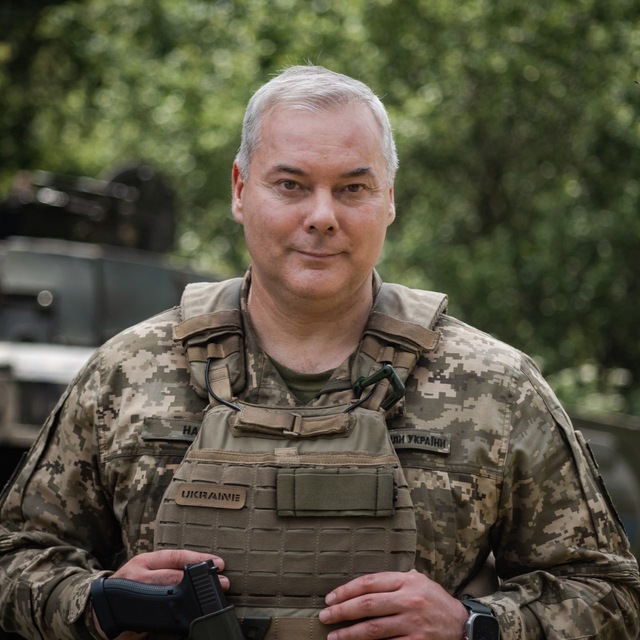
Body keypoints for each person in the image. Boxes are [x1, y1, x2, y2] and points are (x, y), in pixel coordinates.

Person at [0, 65, 639, 640]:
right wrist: (102, 604)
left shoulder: (494, 387)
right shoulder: (127, 373)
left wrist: (474, 625)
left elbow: (609, 592)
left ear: (390, 198)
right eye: (291, 184)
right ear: (240, 189)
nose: (323, 215)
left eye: (353, 188)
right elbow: (15, 558)